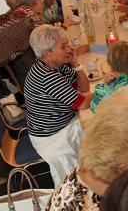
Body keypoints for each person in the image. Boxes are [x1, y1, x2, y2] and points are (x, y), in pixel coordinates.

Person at [23, 25, 89, 186]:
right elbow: (83, 102)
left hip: (62, 122)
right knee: (98, 133)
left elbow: (84, 88)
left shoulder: (57, 66)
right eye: (63, 46)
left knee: (95, 129)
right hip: (53, 136)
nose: (69, 48)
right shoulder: (47, 77)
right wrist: (108, 90)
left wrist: (75, 63)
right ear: (48, 54)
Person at [0, 0, 44, 78]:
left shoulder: (14, 12)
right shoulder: (33, 17)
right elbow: (50, 42)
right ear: (38, 2)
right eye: (42, 2)